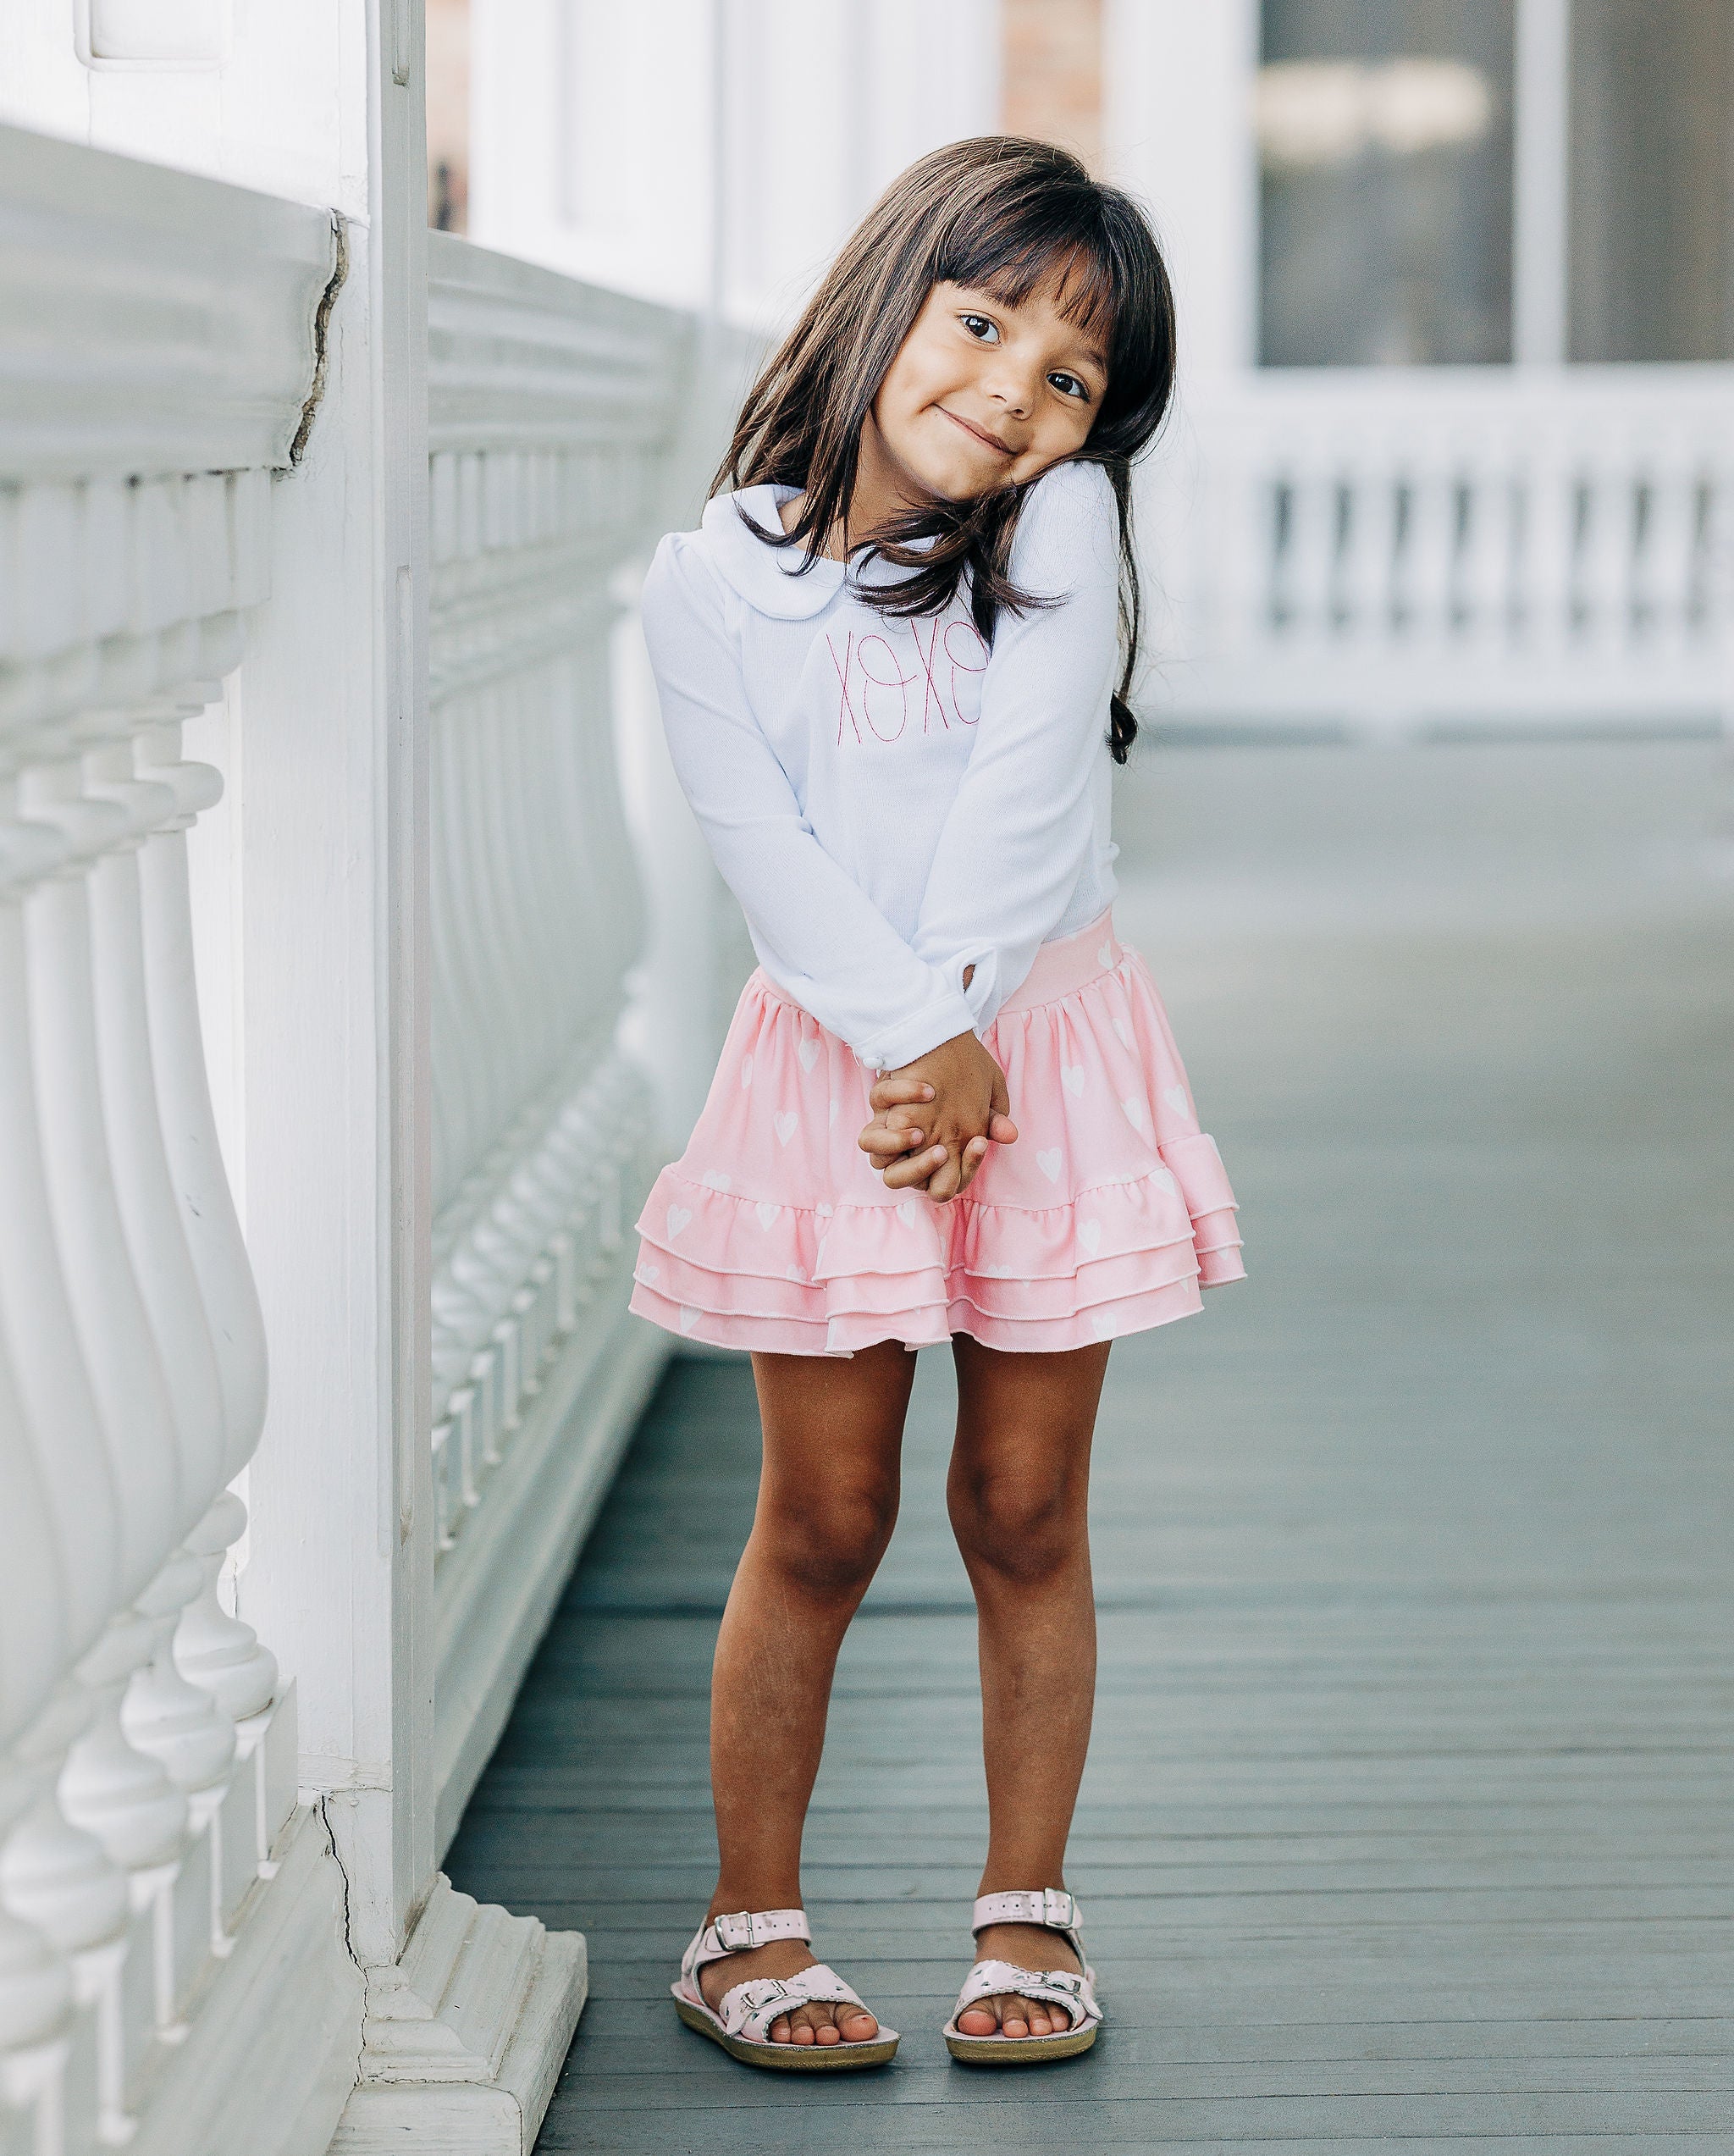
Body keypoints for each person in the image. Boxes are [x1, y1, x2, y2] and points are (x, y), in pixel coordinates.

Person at [630, 136, 1244, 2070]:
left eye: (1072, 375)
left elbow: (1026, 798)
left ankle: (1026, 1907)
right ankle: (749, 1923)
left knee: (1021, 1501)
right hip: (842, 1072)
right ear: (889, 295)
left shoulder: (1055, 535)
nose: (1013, 389)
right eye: (983, 323)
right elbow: (766, 853)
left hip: (1038, 1055)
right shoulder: (711, 583)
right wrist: (909, 1043)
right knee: (820, 1513)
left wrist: (963, 1032)